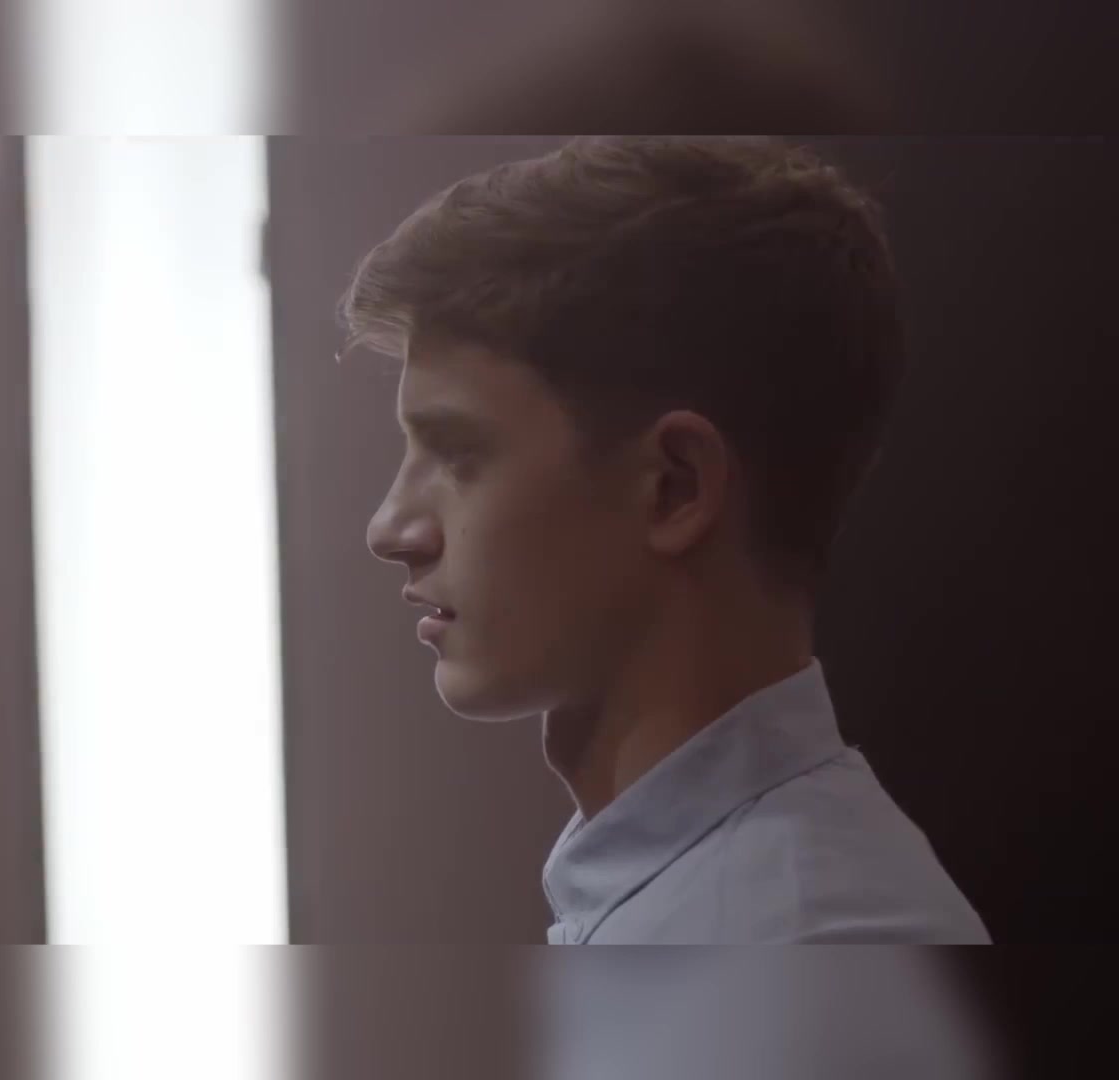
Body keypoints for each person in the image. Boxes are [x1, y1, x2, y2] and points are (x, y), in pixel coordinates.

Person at [347, 136, 988, 943]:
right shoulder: (723, 902)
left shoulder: (804, 943)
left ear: (675, 487)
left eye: (458, 454)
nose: (389, 529)